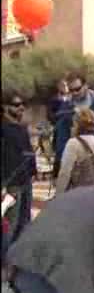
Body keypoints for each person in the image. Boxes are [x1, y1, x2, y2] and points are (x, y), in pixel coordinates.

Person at [1, 92, 37, 245]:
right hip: (12, 184)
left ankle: (17, 261)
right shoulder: (3, 130)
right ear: (5, 107)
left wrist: (33, 171)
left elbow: (28, 153)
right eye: (16, 105)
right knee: (11, 225)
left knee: (25, 222)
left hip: (25, 181)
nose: (21, 107)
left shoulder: (21, 128)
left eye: (23, 104)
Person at [56, 109, 94, 194]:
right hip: (93, 192)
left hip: (76, 192)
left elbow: (65, 172)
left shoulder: (73, 143)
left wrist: (59, 194)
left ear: (77, 125)